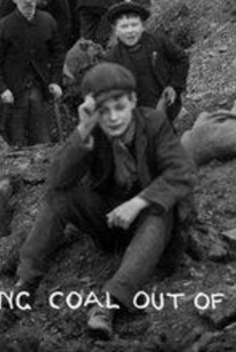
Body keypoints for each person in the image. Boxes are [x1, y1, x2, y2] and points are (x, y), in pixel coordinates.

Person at [12, 62, 195, 339]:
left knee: (159, 213)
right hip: (109, 217)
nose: (113, 117)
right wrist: (83, 129)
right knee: (58, 198)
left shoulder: (154, 124)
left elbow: (182, 173)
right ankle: (25, 285)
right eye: (103, 110)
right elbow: (58, 179)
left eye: (119, 107)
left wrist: (139, 202)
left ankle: (109, 303)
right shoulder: (94, 130)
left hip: (150, 221)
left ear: (133, 101)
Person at [0, 0, 66, 146]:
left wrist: (55, 81)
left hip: (38, 86)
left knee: (42, 138)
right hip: (14, 90)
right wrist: (2, 90)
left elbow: (58, 53)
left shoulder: (47, 21)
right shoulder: (4, 27)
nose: (28, 1)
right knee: (16, 139)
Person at [102, 1, 188, 123]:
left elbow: (181, 59)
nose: (130, 31)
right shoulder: (111, 59)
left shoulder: (158, 42)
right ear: (116, 30)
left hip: (165, 106)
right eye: (124, 27)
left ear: (142, 26)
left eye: (134, 25)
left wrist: (174, 86)